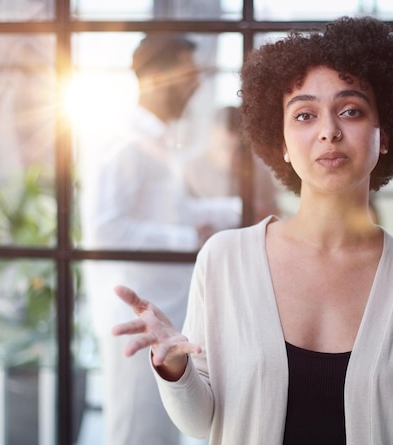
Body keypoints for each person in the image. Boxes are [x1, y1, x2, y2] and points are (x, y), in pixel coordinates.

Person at [111, 17, 393, 444]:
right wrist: (175, 371)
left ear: (384, 136)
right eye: (305, 115)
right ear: (284, 144)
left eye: (351, 110)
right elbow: (203, 423)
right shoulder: (224, 260)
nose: (329, 131)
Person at [81, 34, 240, 445]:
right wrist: (190, 237)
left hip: (165, 315)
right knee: (139, 432)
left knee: (166, 431)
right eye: (187, 74)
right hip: (136, 319)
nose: (196, 85)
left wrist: (241, 212)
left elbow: (174, 210)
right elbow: (106, 228)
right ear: (154, 76)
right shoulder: (121, 139)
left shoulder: (157, 137)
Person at [185, 105, 281, 223]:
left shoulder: (260, 175)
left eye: (239, 150)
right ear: (211, 136)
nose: (230, 157)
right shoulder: (189, 171)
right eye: (225, 146)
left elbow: (274, 216)